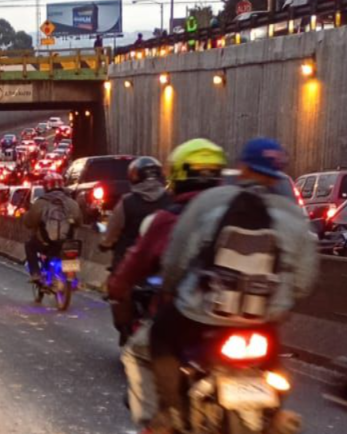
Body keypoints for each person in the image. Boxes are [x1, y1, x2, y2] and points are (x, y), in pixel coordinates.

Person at [148, 138, 318, 433]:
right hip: (261, 318)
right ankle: (277, 413)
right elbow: (303, 281)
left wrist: (170, 287)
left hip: (200, 313)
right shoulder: (292, 215)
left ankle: (170, 413)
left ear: (241, 167)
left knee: (160, 335)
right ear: (278, 172)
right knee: (272, 361)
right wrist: (276, 304)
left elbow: (178, 256)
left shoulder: (210, 202)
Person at [107, 139, 228, 425]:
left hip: (187, 310)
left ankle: (163, 418)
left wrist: (116, 287)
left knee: (142, 349)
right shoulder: (236, 212)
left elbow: (134, 266)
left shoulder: (168, 217)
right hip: (243, 314)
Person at [99, 156, 170, 270]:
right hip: (163, 263)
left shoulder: (126, 203)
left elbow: (113, 229)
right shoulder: (171, 200)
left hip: (130, 264)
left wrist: (105, 244)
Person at [23, 172, 83, 282]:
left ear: (45, 187)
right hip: (66, 243)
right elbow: (79, 222)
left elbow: (29, 222)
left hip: (46, 243)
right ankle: (73, 277)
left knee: (29, 246)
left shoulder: (41, 202)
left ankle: (36, 273)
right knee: (72, 249)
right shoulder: (72, 203)